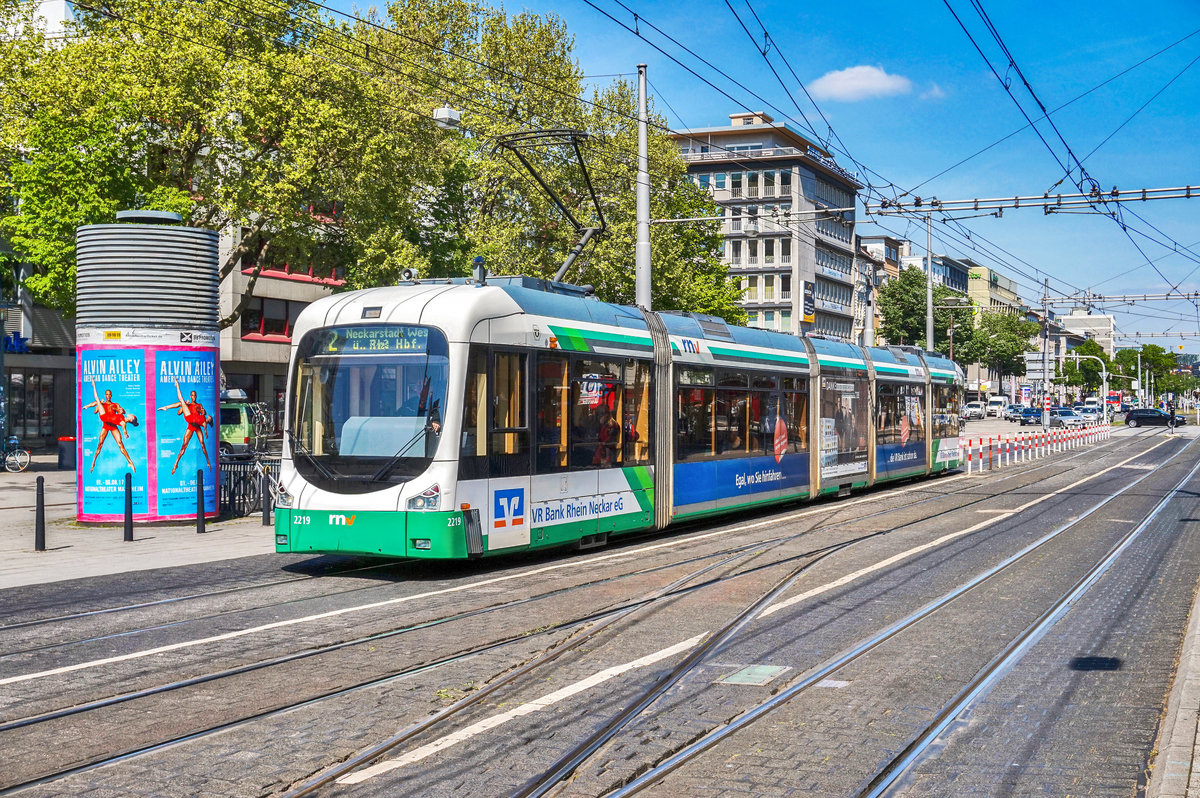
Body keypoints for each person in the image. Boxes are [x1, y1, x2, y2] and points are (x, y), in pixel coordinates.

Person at [158, 378, 212, 475]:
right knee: (184, 445)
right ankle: (176, 464)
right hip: (191, 422)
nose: (194, 397)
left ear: (196, 396)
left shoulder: (199, 406)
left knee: (202, 444)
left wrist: (204, 413)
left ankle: (208, 462)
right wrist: (185, 406)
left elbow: (203, 413)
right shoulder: (189, 405)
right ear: (191, 396)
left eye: (195, 395)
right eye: (192, 395)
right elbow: (179, 412)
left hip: (197, 424)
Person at [82, 381, 138, 473]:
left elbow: (122, 412)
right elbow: (95, 411)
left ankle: (130, 462)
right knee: (100, 444)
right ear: (105, 395)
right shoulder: (103, 403)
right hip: (105, 424)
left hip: (113, 425)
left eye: (109, 394)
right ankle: (93, 463)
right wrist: (93, 405)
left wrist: (120, 410)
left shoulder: (115, 404)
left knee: (120, 443)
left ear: (111, 395)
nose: (108, 396)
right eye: (106, 394)